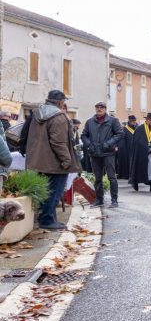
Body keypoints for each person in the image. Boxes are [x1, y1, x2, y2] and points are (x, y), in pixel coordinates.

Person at [24, 90, 81, 230]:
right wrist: (66, 161)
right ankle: (47, 220)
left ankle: (47, 218)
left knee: (45, 191)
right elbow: (58, 142)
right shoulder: (58, 117)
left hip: (37, 160)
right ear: (61, 102)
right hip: (54, 162)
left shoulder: (36, 113)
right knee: (54, 192)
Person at [81, 101, 124, 208]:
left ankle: (114, 200)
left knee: (111, 177)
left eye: (102, 107)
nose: (99, 109)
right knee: (98, 178)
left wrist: (108, 143)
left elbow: (120, 133)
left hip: (108, 153)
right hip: (95, 154)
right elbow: (84, 135)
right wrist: (89, 145)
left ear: (105, 109)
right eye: (97, 107)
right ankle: (99, 200)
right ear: (95, 109)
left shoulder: (113, 121)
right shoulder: (89, 122)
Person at [128, 112, 151, 193]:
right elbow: (138, 141)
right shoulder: (139, 129)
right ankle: (135, 183)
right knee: (139, 168)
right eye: (149, 120)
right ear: (146, 120)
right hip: (141, 153)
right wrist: (146, 147)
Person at [116, 115, 137, 180]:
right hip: (127, 149)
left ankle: (134, 175)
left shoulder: (136, 128)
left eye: (134, 121)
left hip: (135, 148)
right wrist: (123, 149)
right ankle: (127, 175)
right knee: (127, 162)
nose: (134, 122)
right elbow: (122, 140)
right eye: (132, 121)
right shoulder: (125, 129)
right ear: (129, 121)